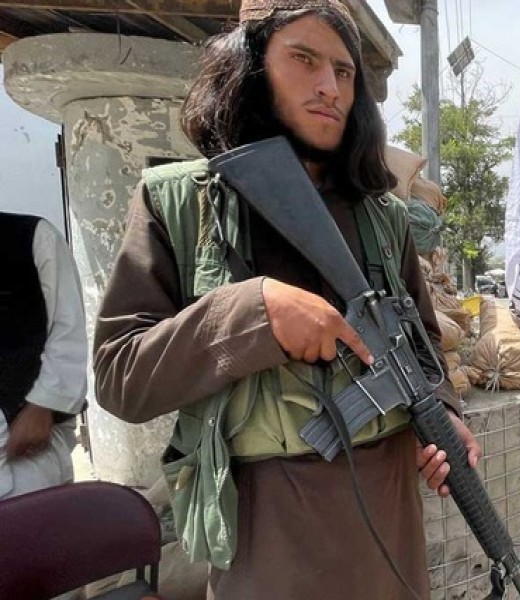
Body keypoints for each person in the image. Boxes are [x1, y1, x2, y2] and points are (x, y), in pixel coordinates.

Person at [92, 1, 481, 598]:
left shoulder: (386, 220)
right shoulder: (178, 204)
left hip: (389, 530)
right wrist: (249, 315)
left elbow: (425, 349)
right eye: (303, 59)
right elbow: (120, 376)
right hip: (264, 535)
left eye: (344, 71)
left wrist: (446, 418)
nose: (329, 87)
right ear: (249, 68)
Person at [0, 212, 87, 501]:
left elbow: (68, 327)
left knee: (36, 536)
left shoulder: (31, 237)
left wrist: (44, 405)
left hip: (24, 454)